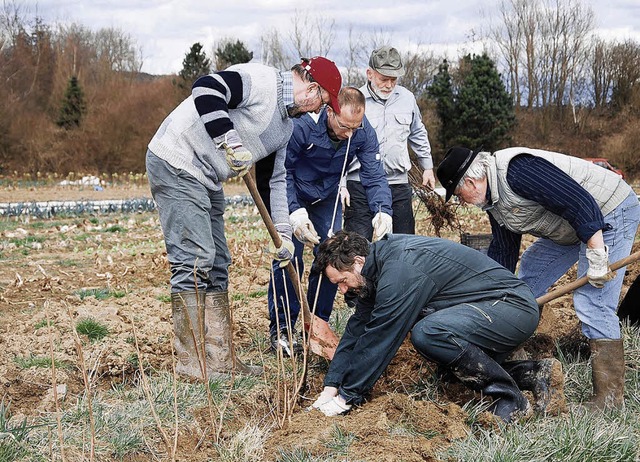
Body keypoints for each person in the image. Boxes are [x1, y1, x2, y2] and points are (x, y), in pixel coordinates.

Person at [145, 56, 342, 379]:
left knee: (219, 261)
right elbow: (206, 89)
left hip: (206, 176)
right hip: (177, 159)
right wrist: (229, 139)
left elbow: (275, 181)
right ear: (311, 87)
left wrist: (283, 236)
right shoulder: (260, 80)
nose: (316, 110)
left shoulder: (285, 127)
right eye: (321, 101)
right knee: (195, 260)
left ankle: (221, 359)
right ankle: (190, 363)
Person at [437, 146, 640, 409]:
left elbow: (578, 202)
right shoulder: (494, 200)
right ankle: (509, 340)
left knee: (594, 301)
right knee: (530, 272)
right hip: (571, 223)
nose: (460, 201)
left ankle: (609, 399)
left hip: (609, 210)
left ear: (472, 182)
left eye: (457, 195)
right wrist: (491, 293)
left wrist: (598, 254)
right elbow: (504, 251)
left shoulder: (517, 171)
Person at [310, 231, 564, 423]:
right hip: (486, 310)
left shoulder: (400, 270)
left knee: (429, 333)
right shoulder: (376, 271)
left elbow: (380, 338)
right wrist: (331, 386)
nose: (342, 290)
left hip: (511, 308)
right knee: (444, 357)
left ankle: (511, 399)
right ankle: (531, 373)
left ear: (357, 261)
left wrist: (346, 397)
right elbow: (357, 332)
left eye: (342, 281)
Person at [268, 87, 393, 355]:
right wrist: (294, 212)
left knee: (331, 256)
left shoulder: (362, 131)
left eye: (355, 128)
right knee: (288, 256)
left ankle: (317, 321)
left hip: (327, 196)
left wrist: (383, 210)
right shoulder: (300, 127)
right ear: (330, 111)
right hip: (294, 192)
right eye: (344, 126)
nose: (349, 134)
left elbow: (374, 173)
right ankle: (282, 329)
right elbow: (282, 172)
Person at [340, 46, 434, 240]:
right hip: (359, 184)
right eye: (384, 79)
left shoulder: (407, 99)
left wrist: (427, 167)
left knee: (403, 244)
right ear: (369, 74)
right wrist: (341, 184)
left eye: (394, 80)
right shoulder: (353, 101)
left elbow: (418, 132)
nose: (389, 85)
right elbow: (340, 145)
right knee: (358, 245)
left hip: (397, 184)